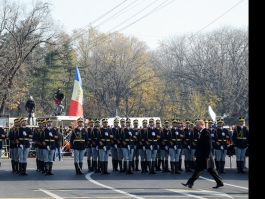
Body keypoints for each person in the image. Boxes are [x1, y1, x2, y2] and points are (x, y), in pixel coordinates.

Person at [181, 119, 224, 189]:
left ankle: (190, 183)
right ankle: (190, 183)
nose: (196, 126)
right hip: (201, 155)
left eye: (197, 125)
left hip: (205, 155)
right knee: (208, 169)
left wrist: (207, 155)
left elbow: (209, 145)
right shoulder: (201, 132)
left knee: (204, 169)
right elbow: (199, 145)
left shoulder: (206, 132)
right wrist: (195, 154)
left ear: (202, 125)